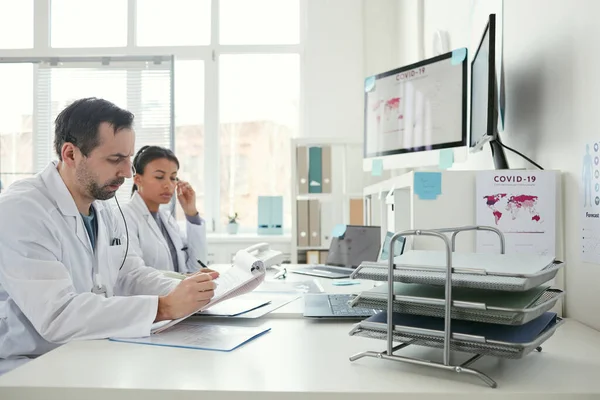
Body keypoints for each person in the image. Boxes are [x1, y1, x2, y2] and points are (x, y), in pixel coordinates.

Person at [0, 98, 218, 374]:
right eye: (116, 159)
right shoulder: (22, 210)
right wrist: (162, 308)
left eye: (128, 158)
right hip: (28, 365)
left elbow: (129, 275)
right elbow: (57, 315)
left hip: (87, 351)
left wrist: (189, 294)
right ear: (70, 154)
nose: (127, 172)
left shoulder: (103, 207)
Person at [122, 146, 207, 274]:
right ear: (138, 179)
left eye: (173, 178)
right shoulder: (124, 217)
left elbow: (197, 267)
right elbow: (134, 275)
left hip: (179, 292)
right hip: (154, 294)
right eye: (159, 177)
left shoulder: (167, 220)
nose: (168, 185)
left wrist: (191, 213)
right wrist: (182, 281)